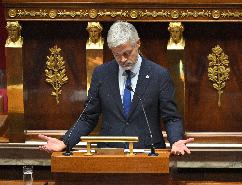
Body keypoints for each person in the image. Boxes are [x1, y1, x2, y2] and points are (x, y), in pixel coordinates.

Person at [39, 21, 193, 155]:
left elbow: (171, 117)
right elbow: (88, 116)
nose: (122, 60)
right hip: (109, 153)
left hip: (147, 152)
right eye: (116, 54)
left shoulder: (159, 75)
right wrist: (65, 142)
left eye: (127, 53)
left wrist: (176, 141)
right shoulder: (101, 74)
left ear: (138, 43)